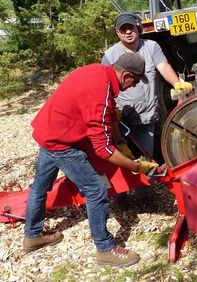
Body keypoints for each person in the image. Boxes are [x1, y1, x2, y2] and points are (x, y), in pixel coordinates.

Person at [23, 53, 158, 267]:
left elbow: (105, 113)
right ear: (126, 75)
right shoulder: (101, 92)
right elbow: (103, 149)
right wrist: (135, 165)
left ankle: (32, 235)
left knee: (39, 187)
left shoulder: (97, 71)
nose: (133, 87)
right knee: (96, 190)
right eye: (135, 81)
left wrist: (118, 136)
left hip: (48, 131)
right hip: (62, 143)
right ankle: (105, 249)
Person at [102, 13, 192, 157]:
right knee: (126, 158)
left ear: (138, 28)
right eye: (123, 29)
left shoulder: (151, 46)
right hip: (122, 120)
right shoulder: (109, 55)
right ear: (117, 32)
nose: (128, 32)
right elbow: (104, 87)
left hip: (147, 116)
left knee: (145, 156)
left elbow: (163, 66)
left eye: (130, 27)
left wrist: (177, 84)